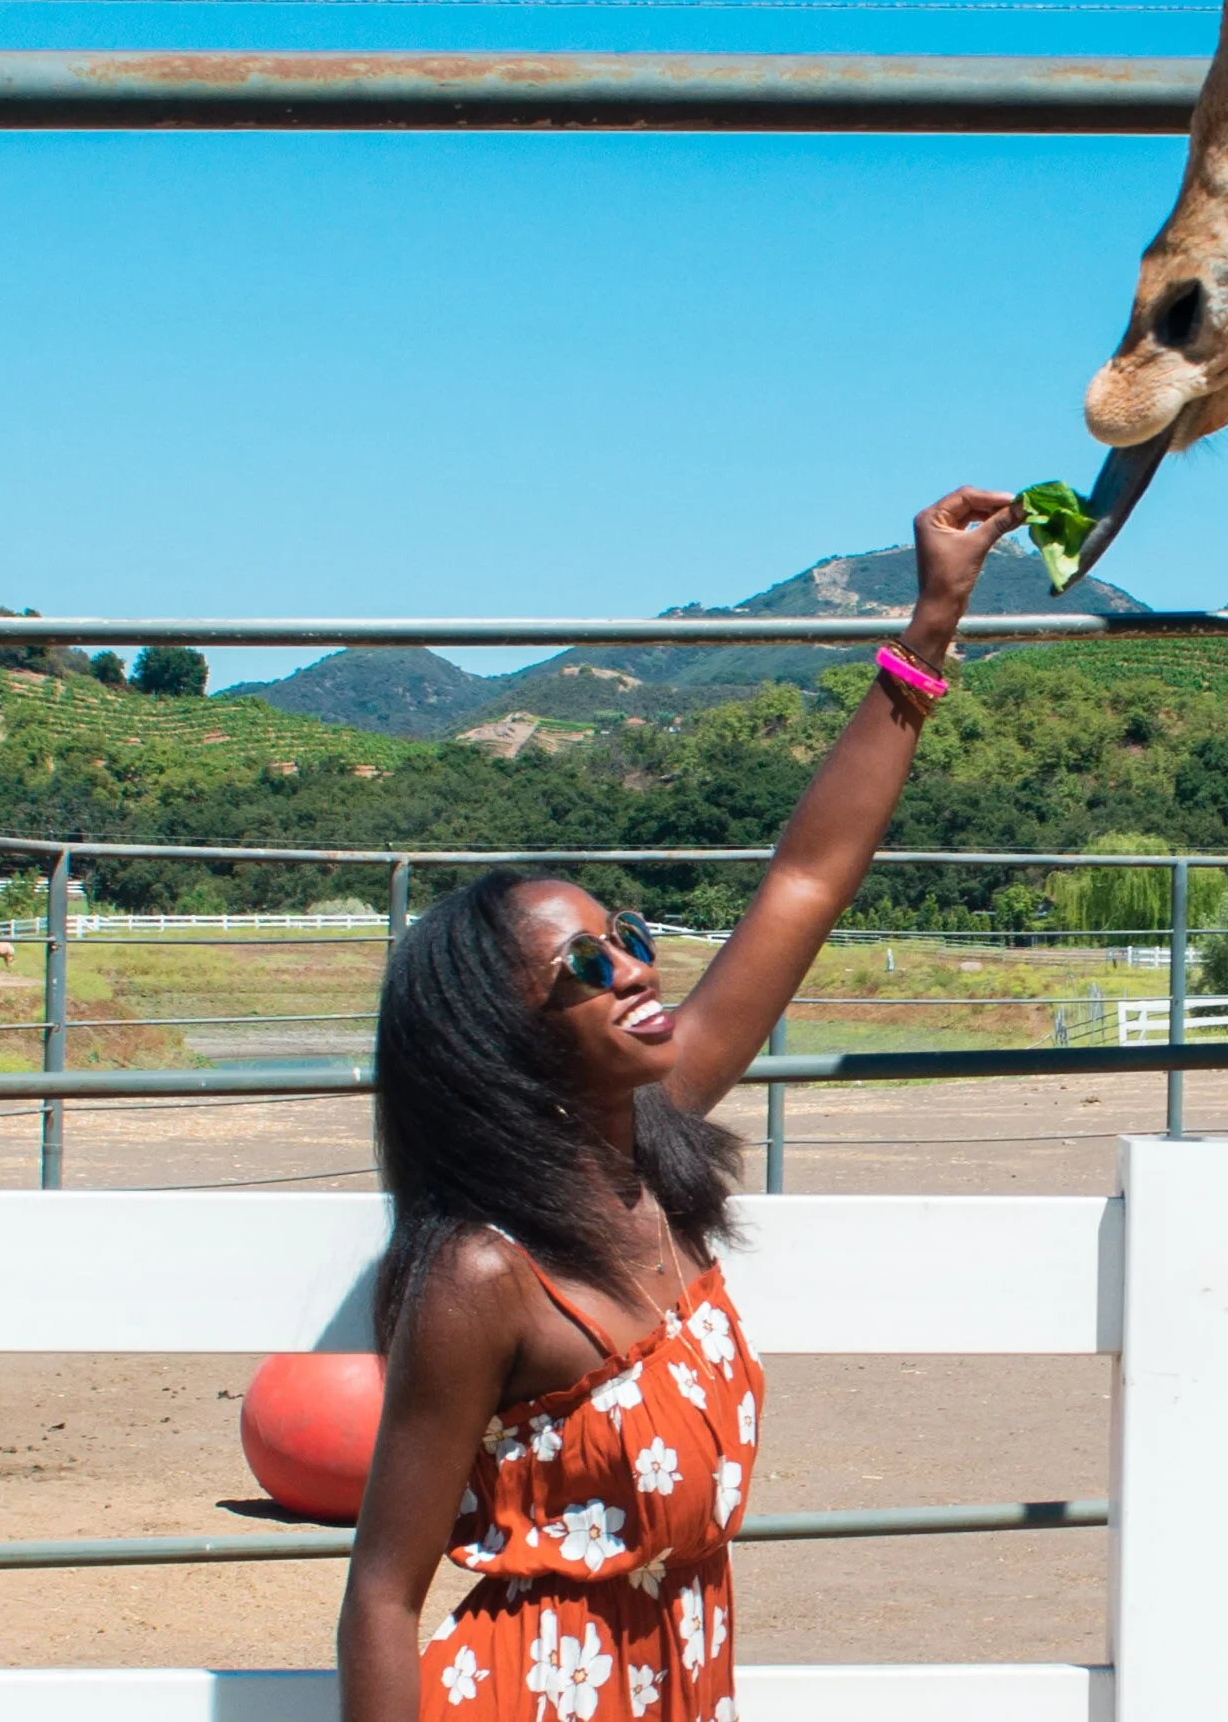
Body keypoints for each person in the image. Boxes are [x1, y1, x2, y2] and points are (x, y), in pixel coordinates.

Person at [339, 486, 1021, 1722]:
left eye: (630, 934)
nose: (638, 968)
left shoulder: (652, 1142)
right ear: (503, 1040)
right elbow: (382, 1596)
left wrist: (929, 628)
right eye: (587, 966)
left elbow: (807, 880)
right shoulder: (484, 1277)